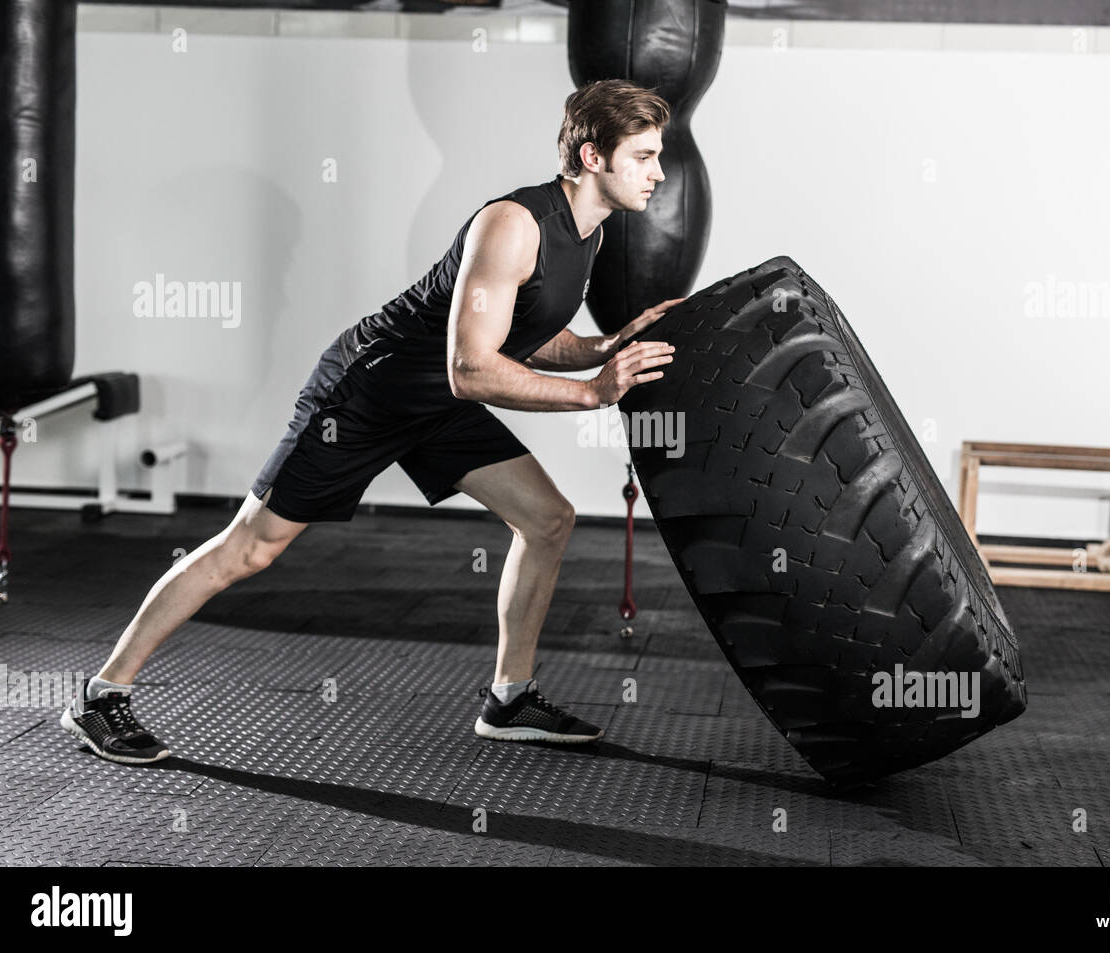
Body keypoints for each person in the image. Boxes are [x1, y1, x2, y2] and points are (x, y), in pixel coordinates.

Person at [61, 78, 683, 764]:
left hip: (436, 404)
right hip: (368, 393)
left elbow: (523, 334)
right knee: (252, 548)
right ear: (594, 157)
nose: (658, 173)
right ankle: (101, 696)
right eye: (645, 156)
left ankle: (508, 700)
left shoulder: (588, 234)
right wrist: (593, 393)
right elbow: (472, 369)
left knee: (547, 519)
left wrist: (605, 345)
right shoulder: (514, 224)